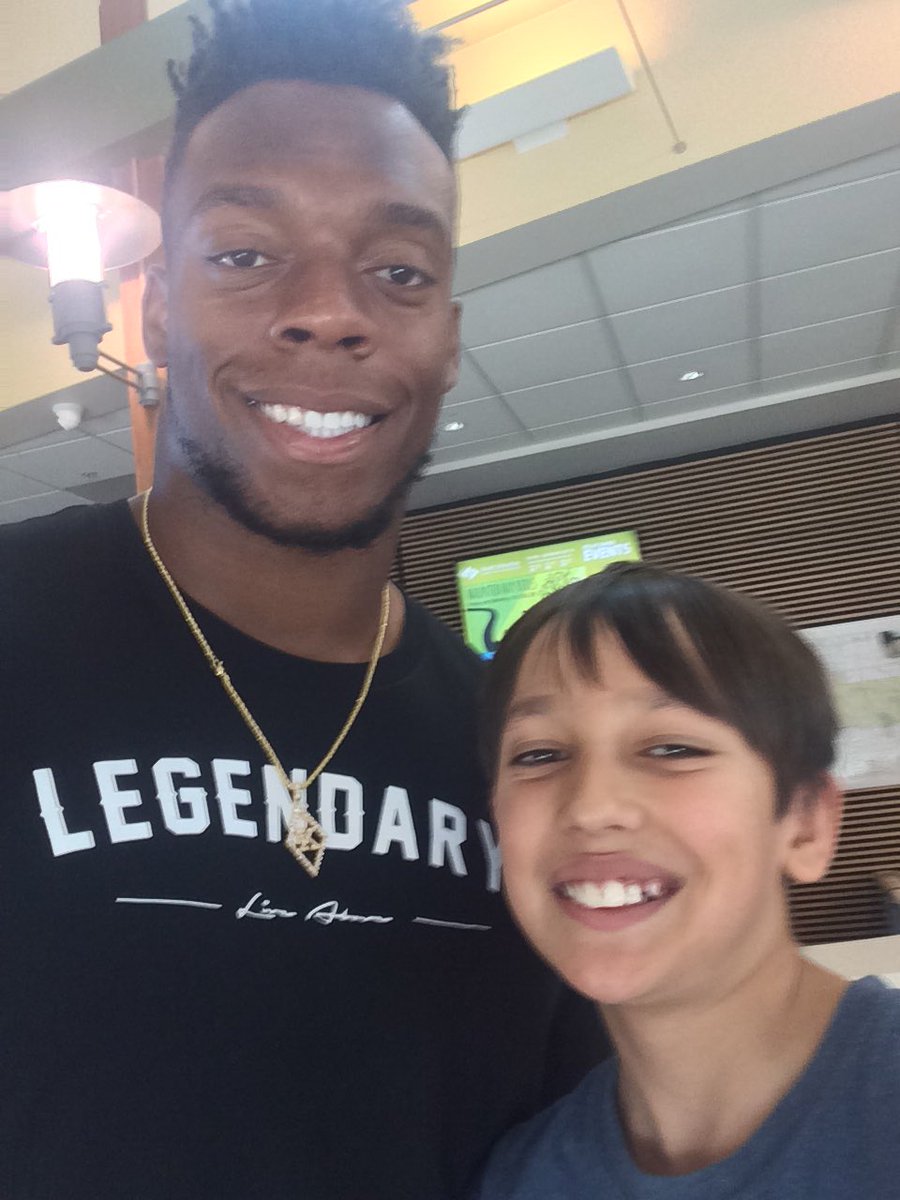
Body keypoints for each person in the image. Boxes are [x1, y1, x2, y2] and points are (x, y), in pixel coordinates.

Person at [0, 3, 605, 1197]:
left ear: (447, 339)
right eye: (245, 254)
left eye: (398, 271)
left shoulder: (519, 761)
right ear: (155, 310)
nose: (330, 309)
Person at [473, 561, 900, 1198]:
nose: (591, 806)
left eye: (672, 748)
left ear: (807, 824)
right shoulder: (520, 1179)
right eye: (540, 754)